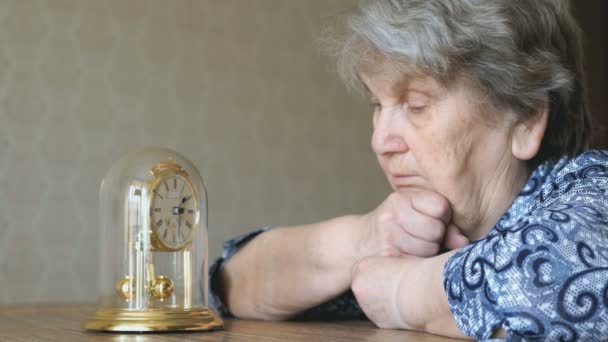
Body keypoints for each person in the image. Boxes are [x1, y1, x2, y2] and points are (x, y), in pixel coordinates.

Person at [209, 0, 608, 340]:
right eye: (376, 106)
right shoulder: (435, 235)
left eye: (416, 104)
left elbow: (571, 282)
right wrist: (362, 241)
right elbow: (228, 285)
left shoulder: (592, 190)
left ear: (525, 118)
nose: (381, 140)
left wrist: (402, 293)